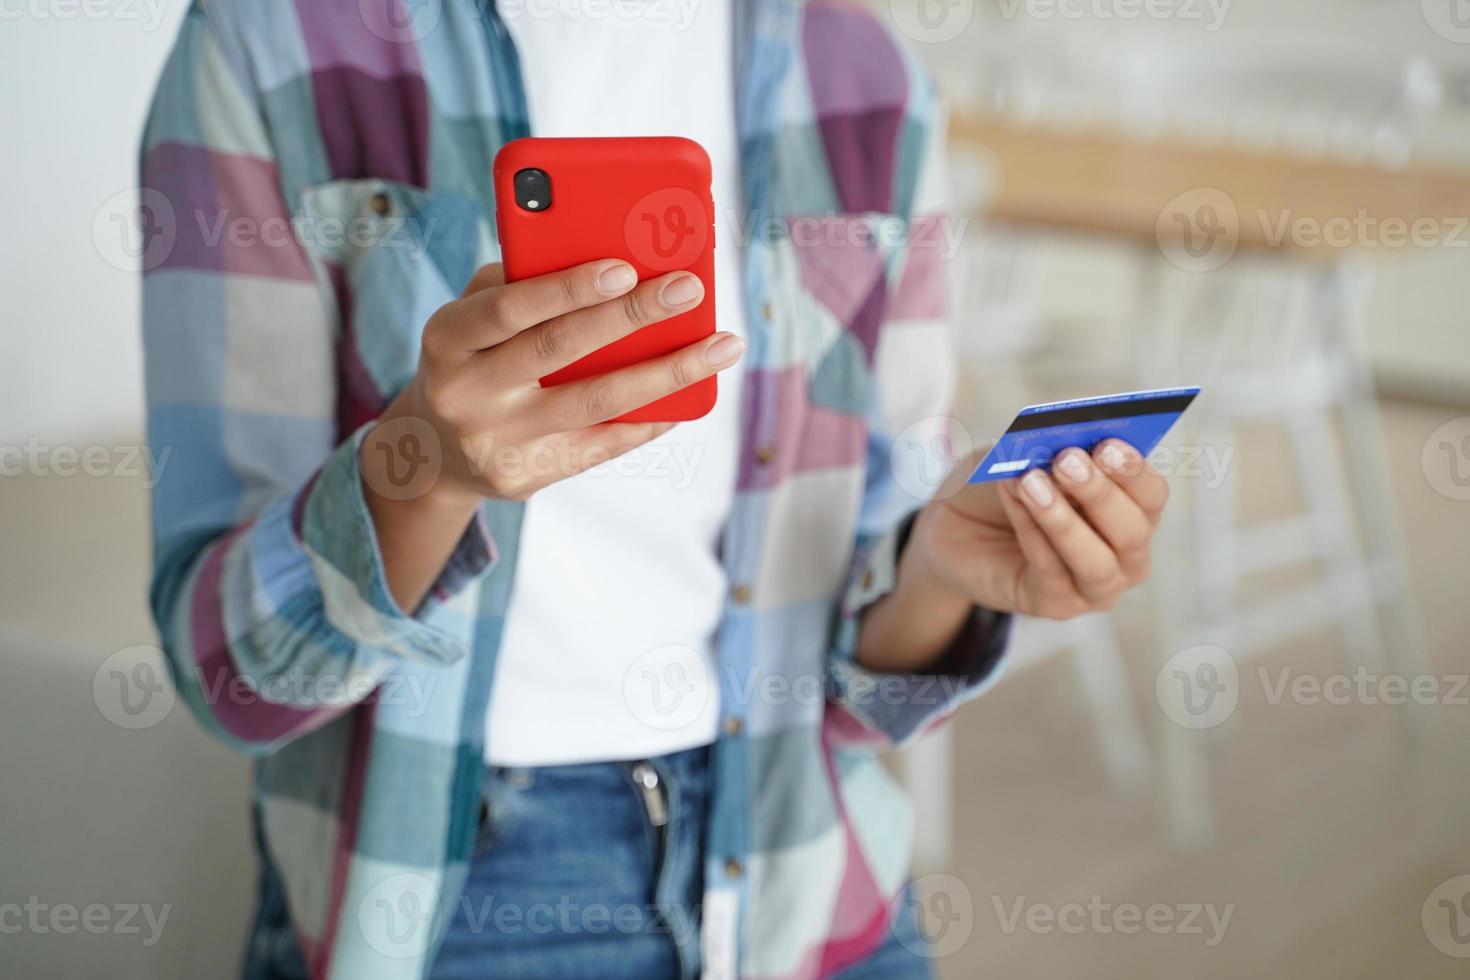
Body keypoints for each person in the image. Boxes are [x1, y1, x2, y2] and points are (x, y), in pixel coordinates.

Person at [140, 1, 1172, 977]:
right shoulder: (273, 41)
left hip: (806, 861)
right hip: (468, 882)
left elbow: (864, 682)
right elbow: (232, 673)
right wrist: (423, 469)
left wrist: (941, 566)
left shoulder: (866, 79)